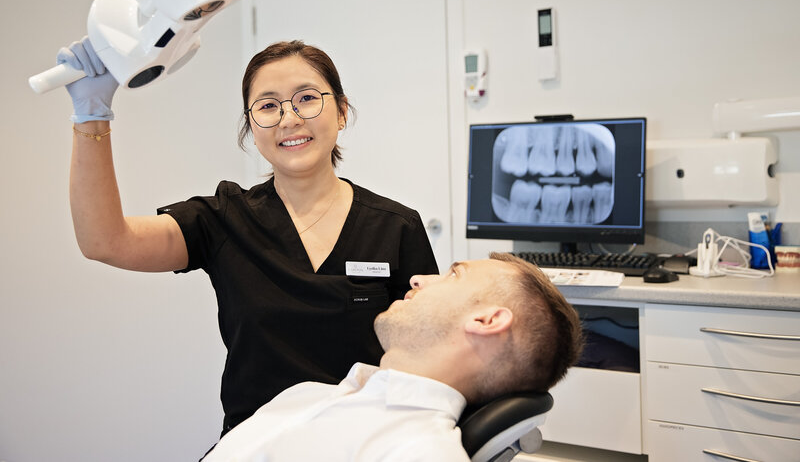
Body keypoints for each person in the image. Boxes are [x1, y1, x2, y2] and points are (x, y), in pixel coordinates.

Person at [58, 38, 439, 436]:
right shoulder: (224, 219)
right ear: (251, 125)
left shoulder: (397, 227)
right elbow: (104, 240)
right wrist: (90, 115)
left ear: (341, 111)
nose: (289, 118)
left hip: (364, 445)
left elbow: (433, 356)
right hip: (255, 446)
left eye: (307, 98)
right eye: (268, 106)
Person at [202, 252, 584, 461]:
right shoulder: (309, 394)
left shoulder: (417, 450)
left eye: (453, 275)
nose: (419, 279)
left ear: (485, 320)